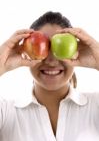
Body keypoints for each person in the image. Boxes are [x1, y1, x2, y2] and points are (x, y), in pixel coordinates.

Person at [0, 11, 99, 141]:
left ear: (75, 51)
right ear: (26, 51)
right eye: (44, 48)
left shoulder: (95, 106)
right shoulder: (6, 112)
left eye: (58, 49)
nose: (51, 61)